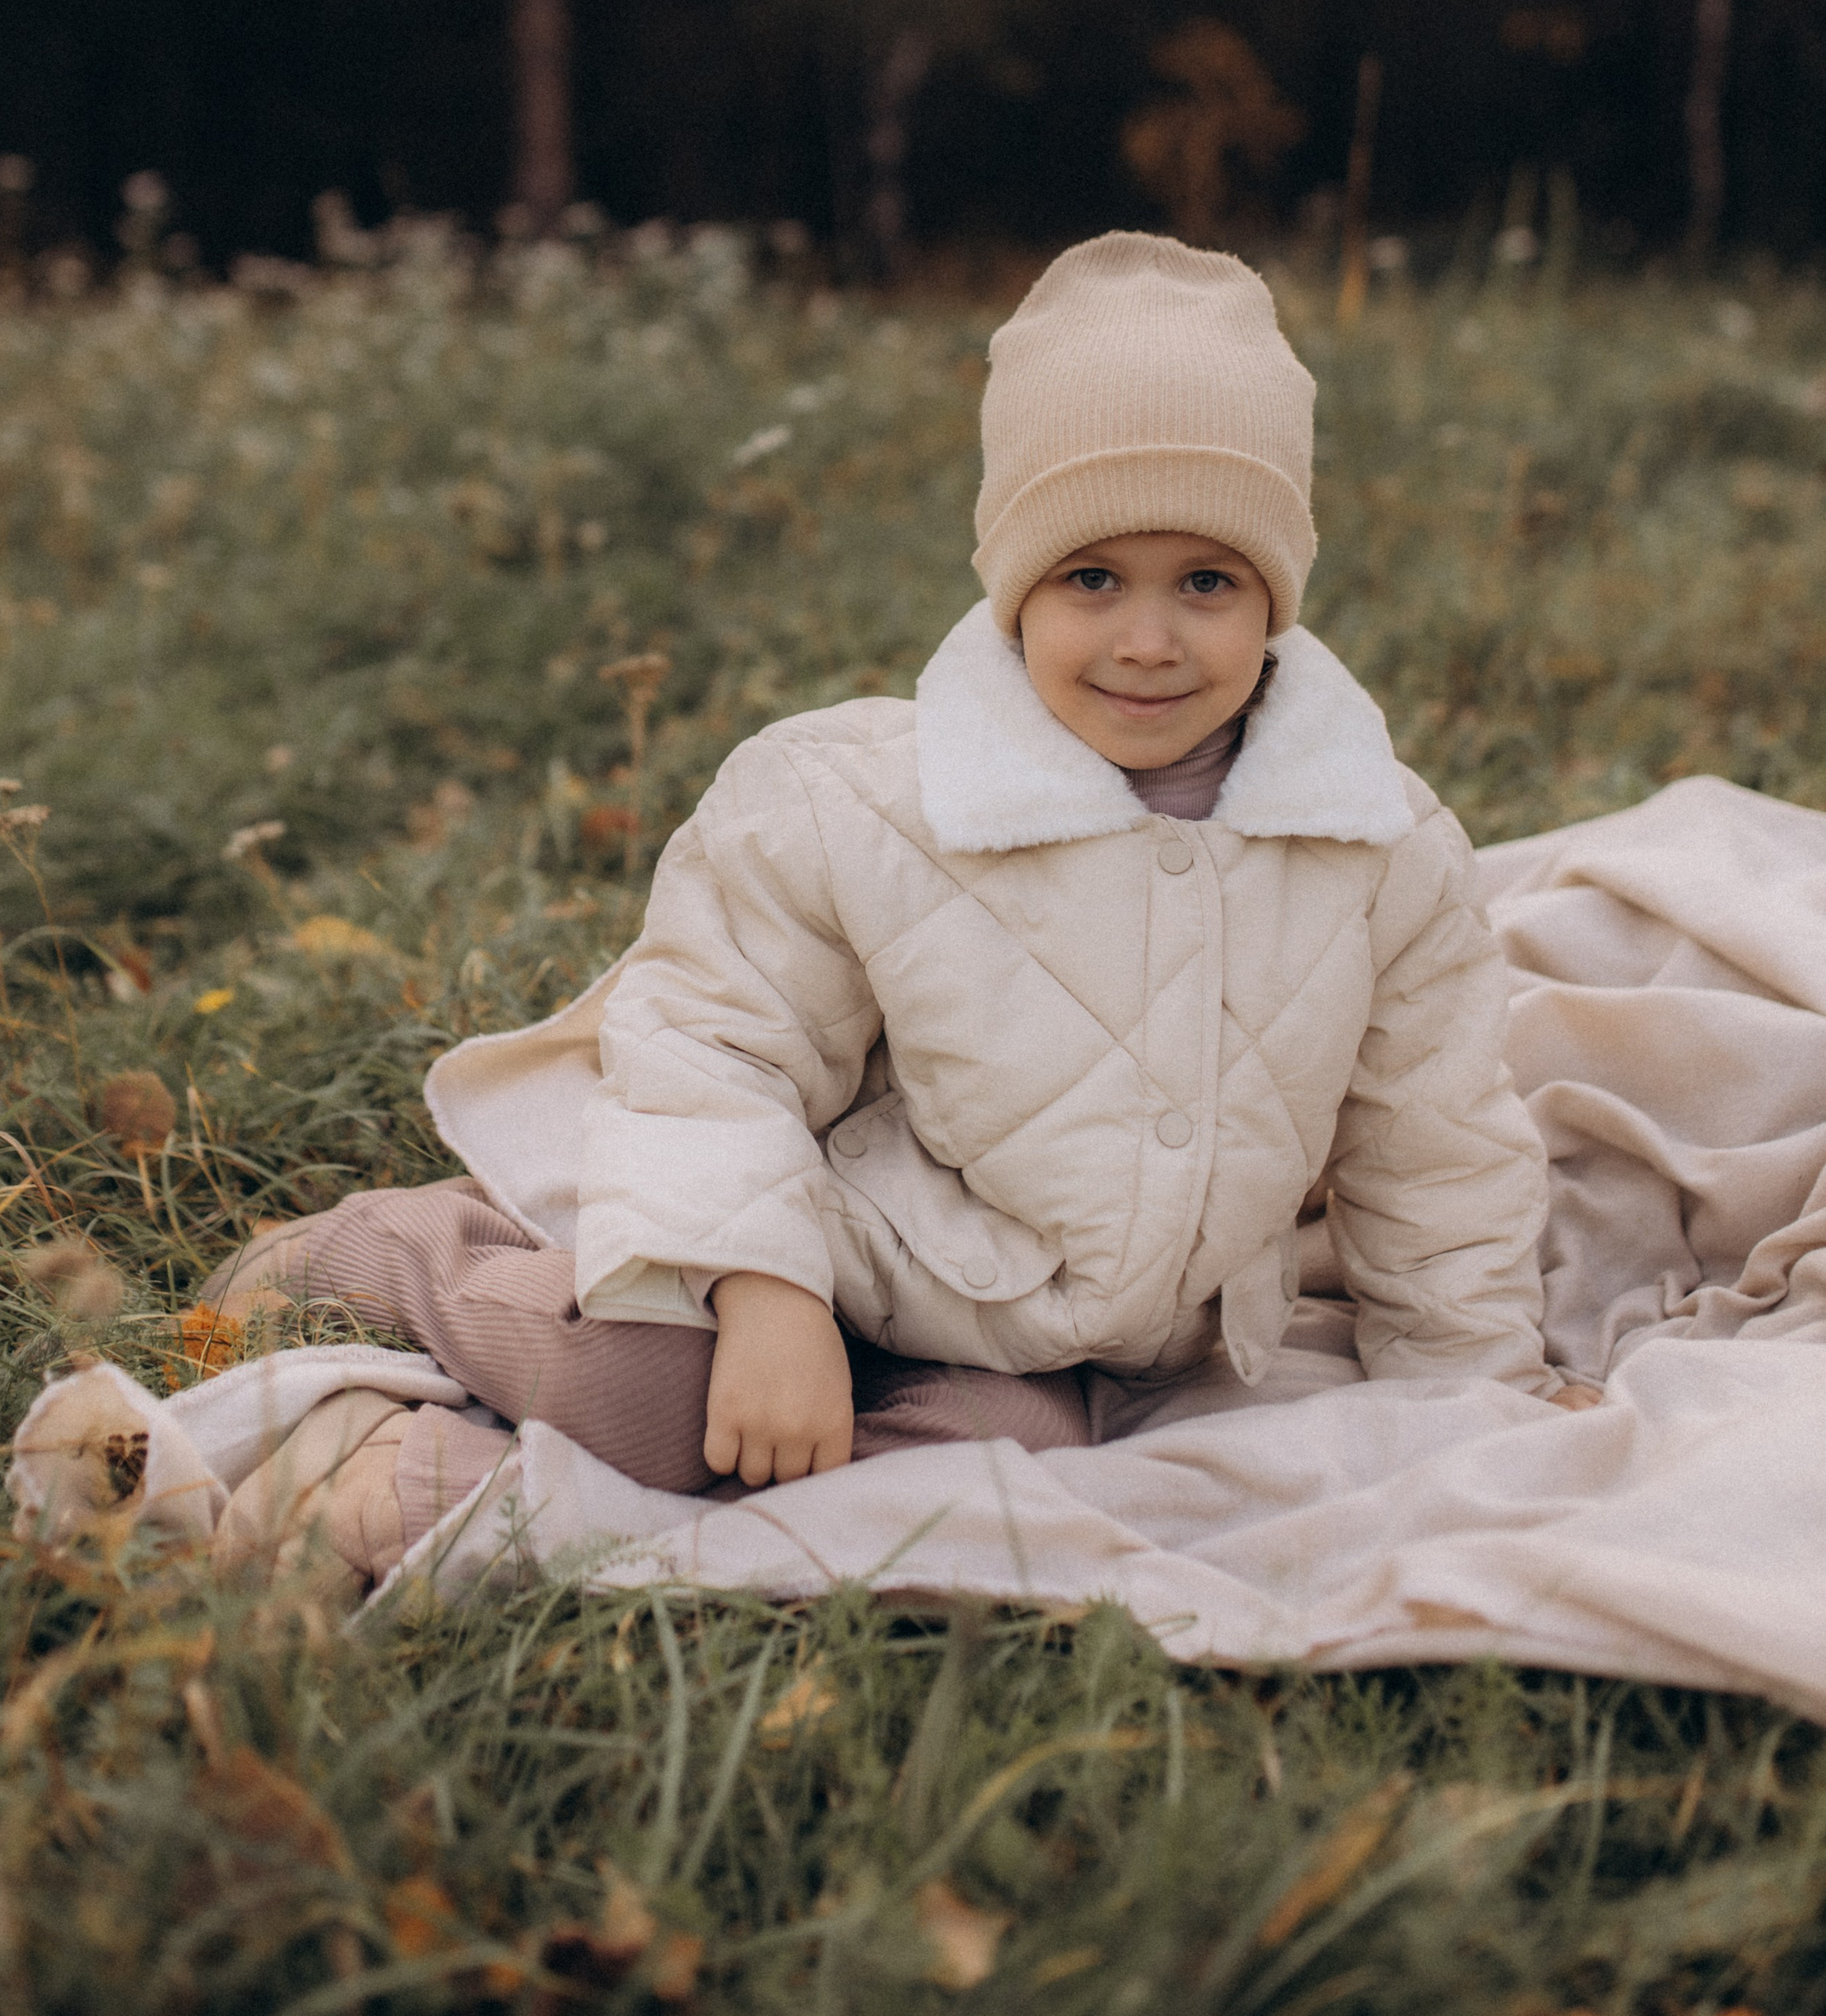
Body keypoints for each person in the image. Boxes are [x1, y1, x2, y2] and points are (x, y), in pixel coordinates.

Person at [198, 233, 1592, 1601]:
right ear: (1016, 584)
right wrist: (766, 1293)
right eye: (1092, 579)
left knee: (991, 1481)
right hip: (839, 1242)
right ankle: (390, 1255)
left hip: (1040, 1350)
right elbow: (716, 1047)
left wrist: (1473, 1395)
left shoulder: (1380, 844)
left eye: (1207, 583)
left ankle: (429, 1481)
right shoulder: (853, 801)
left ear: (1276, 596)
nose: (1148, 639)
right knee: (651, 1391)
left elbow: (1434, 1144)